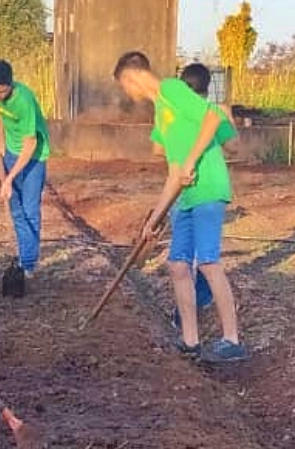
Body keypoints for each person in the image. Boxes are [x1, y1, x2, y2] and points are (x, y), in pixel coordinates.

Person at [113, 51, 249, 363]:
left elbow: (213, 116)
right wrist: (156, 217)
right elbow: (174, 171)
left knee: (208, 263)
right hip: (185, 195)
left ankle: (232, 340)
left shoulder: (172, 89)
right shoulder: (161, 112)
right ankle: (190, 341)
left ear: (132, 77)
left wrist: (191, 160)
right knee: (177, 264)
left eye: (124, 85)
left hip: (208, 187)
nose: (127, 93)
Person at [0, 59, 51, 280]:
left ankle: (28, 264)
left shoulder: (25, 101)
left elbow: (30, 144)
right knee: (16, 210)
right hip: (11, 152)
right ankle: (23, 256)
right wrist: (0, 141)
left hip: (34, 157)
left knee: (29, 209)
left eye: (3, 91)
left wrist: (9, 178)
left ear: (11, 83)